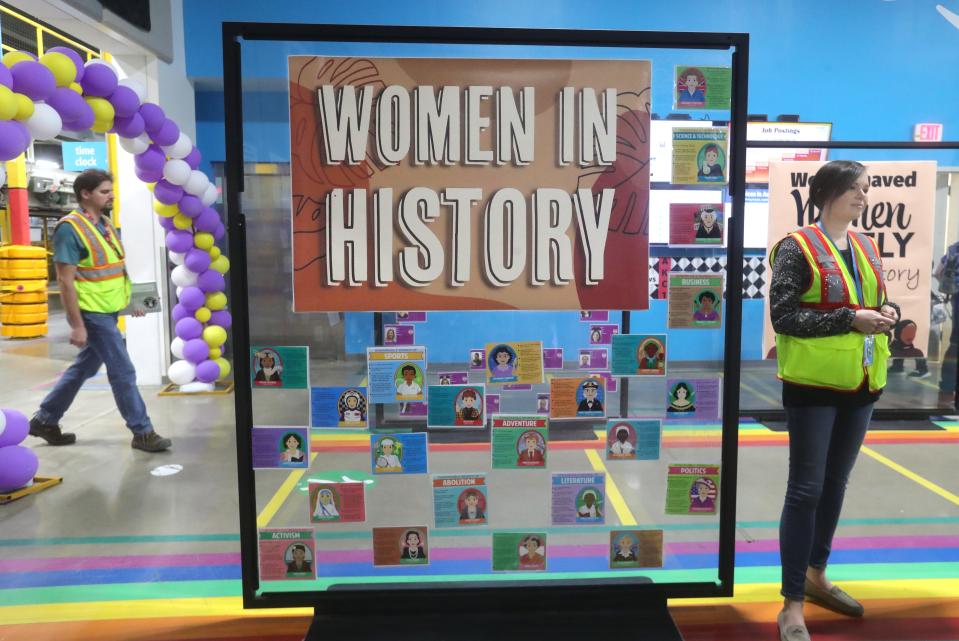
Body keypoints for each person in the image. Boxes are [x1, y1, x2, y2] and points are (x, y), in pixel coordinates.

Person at [769, 160, 899, 640]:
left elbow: (877, 302)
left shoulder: (866, 246)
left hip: (863, 383)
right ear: (827, 193)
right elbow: (783, 318)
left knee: (836, 484)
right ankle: (792, 605)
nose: (864, 197)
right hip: (812, 387)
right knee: (805, 490)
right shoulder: (796, 247)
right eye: (855, 189)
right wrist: (851, 319)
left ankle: (817, 575)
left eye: (866, 189)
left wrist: (886, 313)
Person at [28, 169, 171, 452]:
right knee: (123, 371)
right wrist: (77, 324)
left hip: (108, 310)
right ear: (86, 194)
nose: (112, 195)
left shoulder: (104, 223)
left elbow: (114, 271)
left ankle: (45, 419)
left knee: (84, 367)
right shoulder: (70, 229)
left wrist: (132, 304)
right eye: (105, 191)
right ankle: (142, 432)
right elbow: (66, 281)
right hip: (91, 313)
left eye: (111, 190)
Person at [936, 240, 959, 406]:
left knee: (955, 344)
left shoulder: (954, 248)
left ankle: (947, 388)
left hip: (957, 300)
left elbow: (938, 272)